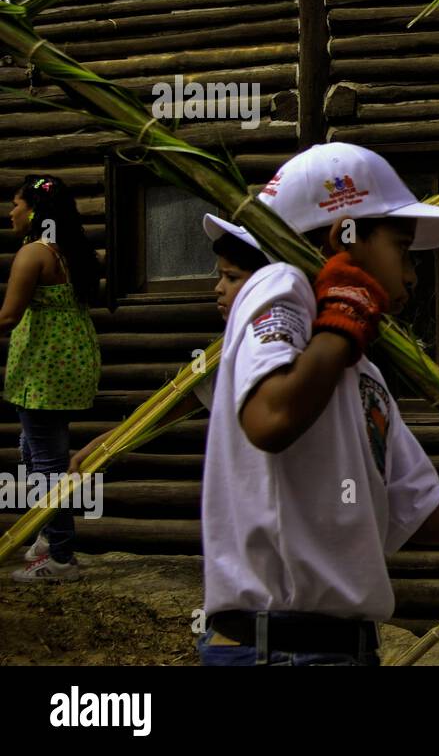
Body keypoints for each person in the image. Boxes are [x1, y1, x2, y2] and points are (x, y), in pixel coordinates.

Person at [197, 143, 439, 665]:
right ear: (347, 236)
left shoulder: (362, 373)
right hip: (280, 650)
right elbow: (270, 419)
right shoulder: (281, 285)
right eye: (403, 249)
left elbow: (415, 510)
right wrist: (345, 314)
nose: (410, 275)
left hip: (336, 651)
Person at [66, 215, 269, 477]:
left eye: (231, 277)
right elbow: (169, 409)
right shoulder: (226, 351)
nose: (218, 288)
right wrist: (104, 447)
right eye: (220, 276)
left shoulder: (280, 347)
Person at [1, 175, 102, 583]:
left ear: (35, 211)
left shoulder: (33, 254)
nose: (11, 213)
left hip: (43, 369)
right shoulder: (72, 250)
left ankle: (60, 557)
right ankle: (49, 532)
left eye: (16, 205)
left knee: (46, 465)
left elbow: (8, 315)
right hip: (70, 363)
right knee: (34, 447)